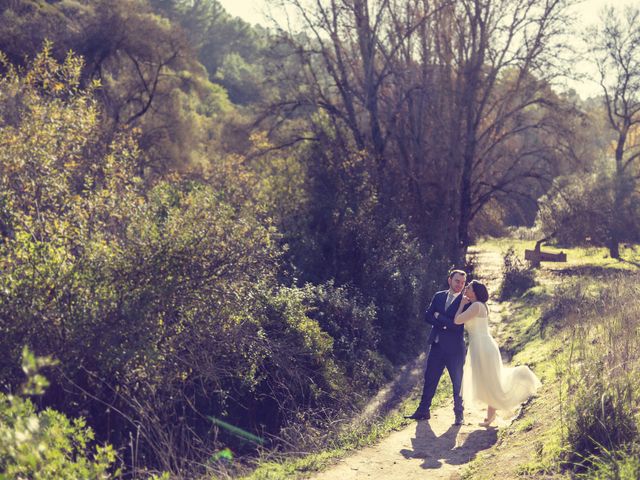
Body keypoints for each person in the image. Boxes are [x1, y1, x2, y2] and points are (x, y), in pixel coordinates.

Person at [454, 280, 541, 426]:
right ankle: (490, 417)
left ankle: (523, 375)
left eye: (468, 287)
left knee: (491, 381)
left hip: (483, 347)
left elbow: (457, 320)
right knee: (490, 381)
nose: (465, 288)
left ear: (474, 292)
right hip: (482, 345)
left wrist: (462, 304)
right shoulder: (480, 305)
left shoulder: (476, 306)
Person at [406, 269, 467, 425]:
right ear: (450, 280)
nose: (460, 285)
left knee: (458, 382)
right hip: (437, 345)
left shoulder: (465, 302)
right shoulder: (439, 296)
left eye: (462, 282)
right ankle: (423, 411)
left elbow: (456, 325)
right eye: (457, 281)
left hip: (455, 350)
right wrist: (443, 322)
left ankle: (459, 415)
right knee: (430, 378)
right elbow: (427, 315)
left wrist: (439, 317)